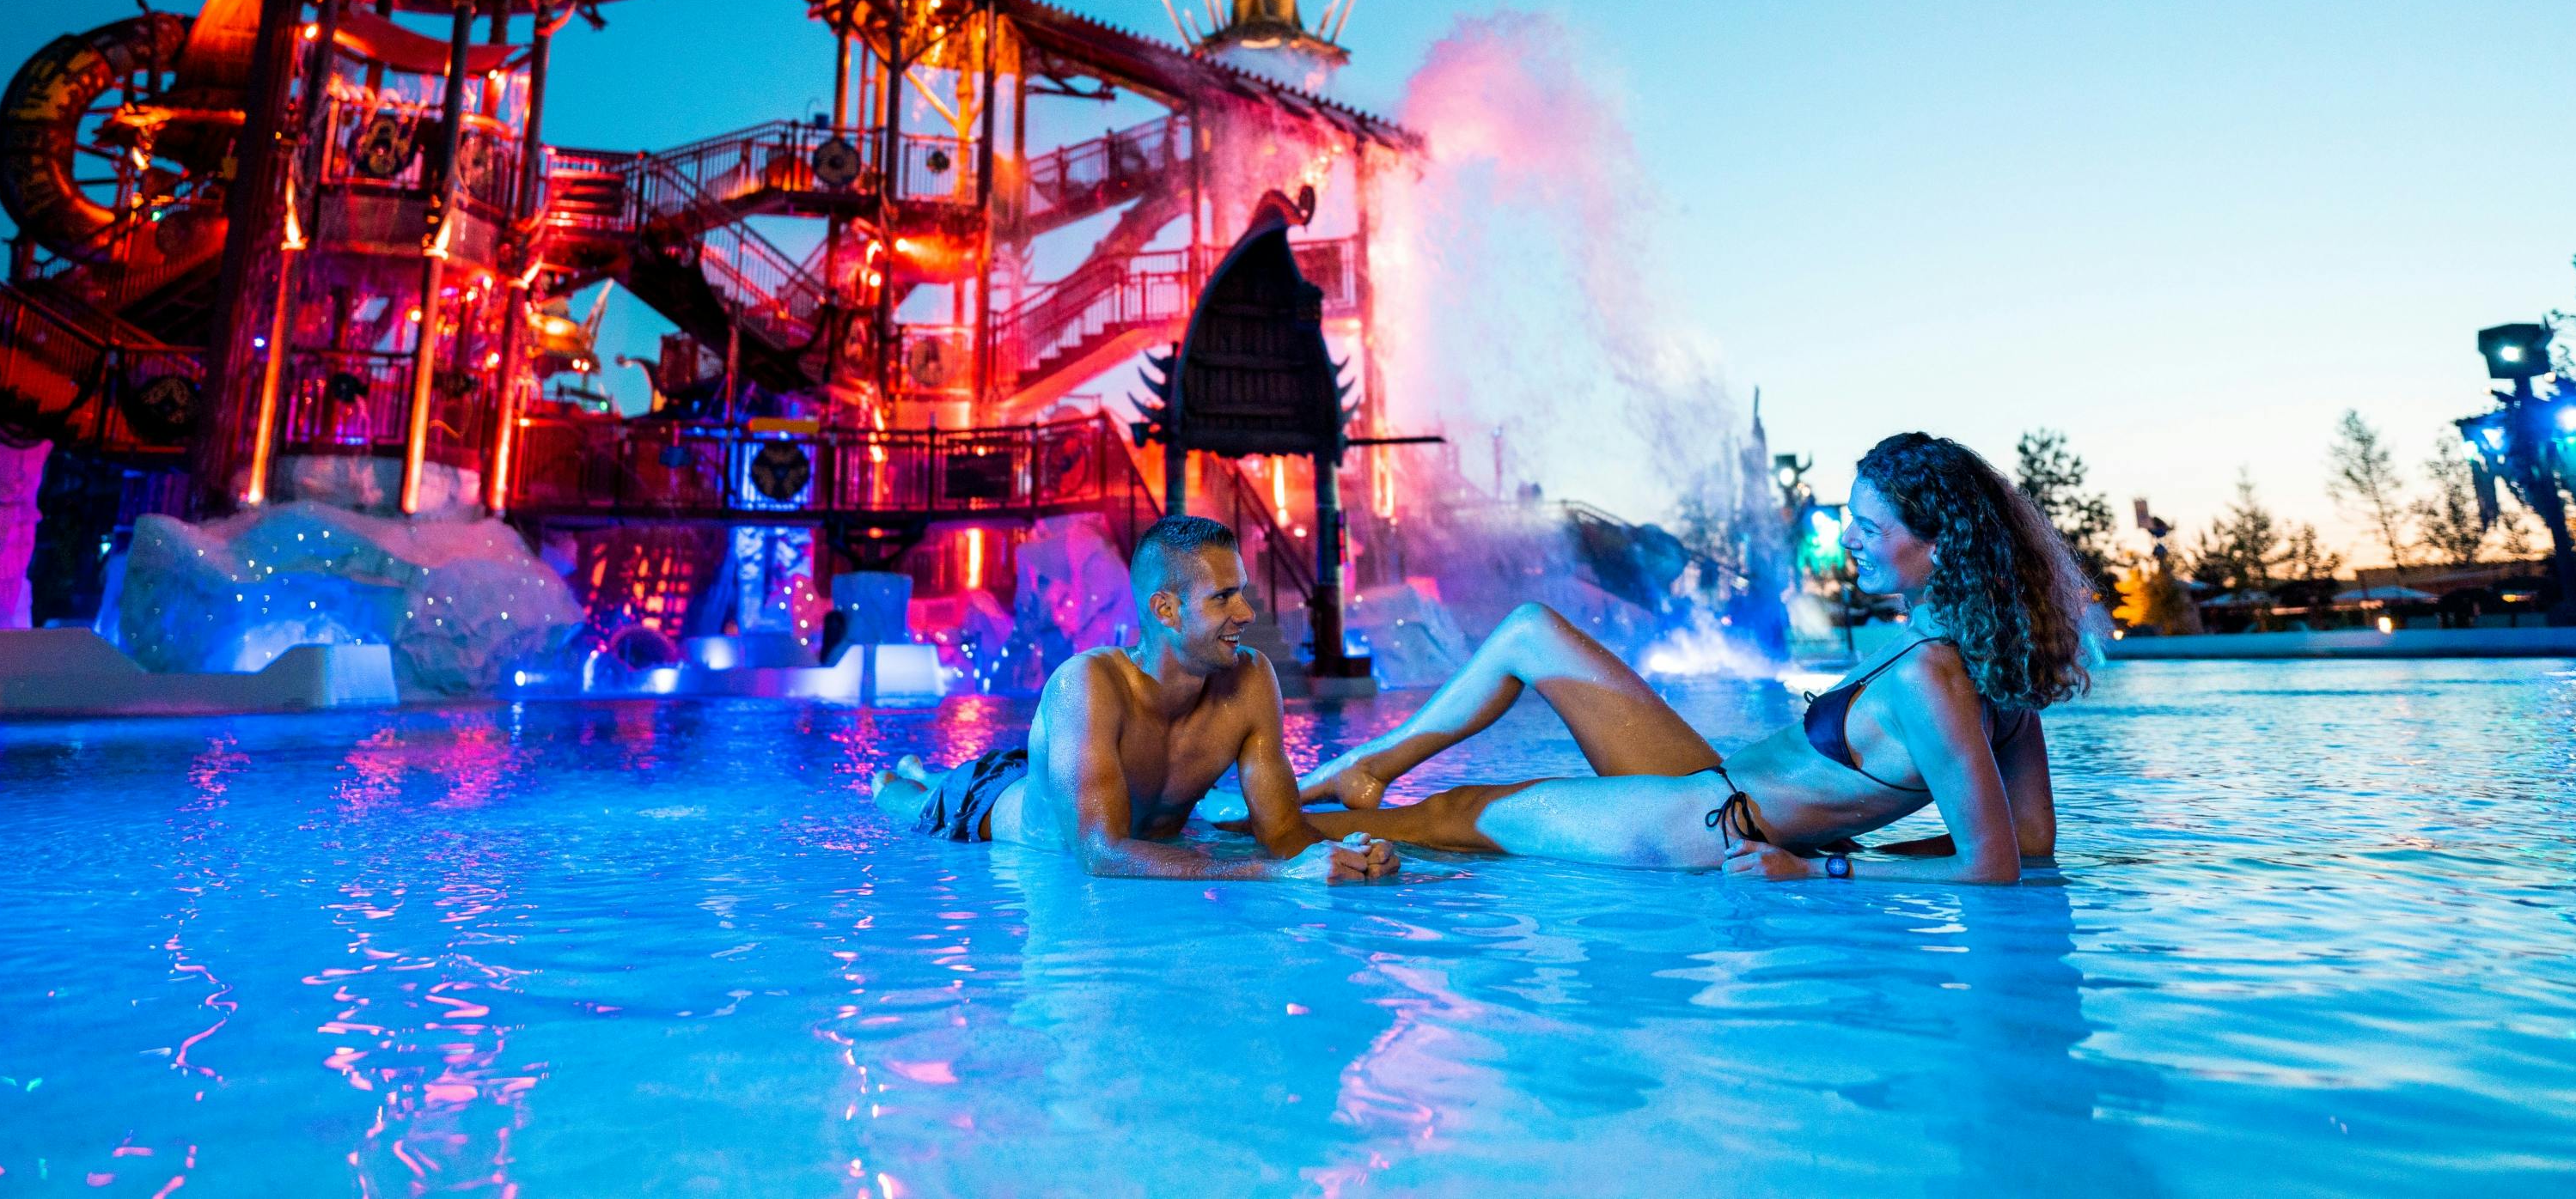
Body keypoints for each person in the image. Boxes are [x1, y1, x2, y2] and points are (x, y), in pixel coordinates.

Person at [1286, 433, 2093, 885]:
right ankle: (1365, 763)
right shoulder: (1992, 677)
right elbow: (2029, 843)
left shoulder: (1934, 678)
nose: (1847, 540)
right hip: (1711, 787)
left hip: (1692, 829)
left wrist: (1821, 876)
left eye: (1868, 528)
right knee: (1531, 630)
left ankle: (1254, 839)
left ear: (1940, 545)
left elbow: (1995, 867)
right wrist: (1844, 843)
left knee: (1451, 816)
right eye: (1849, 517)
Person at [872, 514, 1399, 882]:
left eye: (1240, 592)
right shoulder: (1087, 685)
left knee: (993, 771)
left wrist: (1341, 857)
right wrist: (1277, 876)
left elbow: (1284, 832)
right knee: (911, 800)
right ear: (1165, 611)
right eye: (1223, 597)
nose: (1245, 614)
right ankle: (895, 777)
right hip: (986, 806)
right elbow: (1101, 853)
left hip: (1067, 768)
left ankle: (926, 768)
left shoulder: (1251, 679)